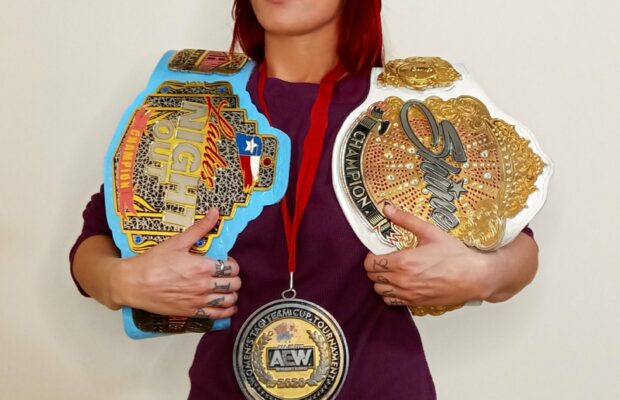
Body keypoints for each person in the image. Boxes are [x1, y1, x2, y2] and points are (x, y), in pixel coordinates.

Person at [70, 0, 539, 398]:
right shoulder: (196, 102)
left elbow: (517, 245)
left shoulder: (408, 110)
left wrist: (482, 274)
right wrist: (117, 281)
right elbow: (95, 238)